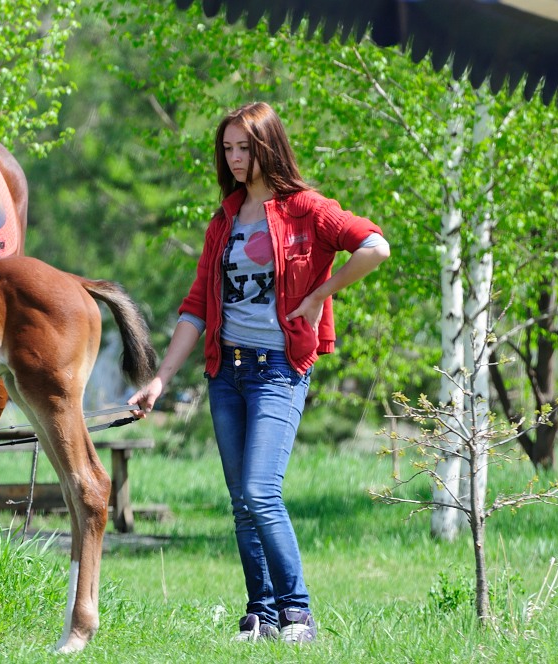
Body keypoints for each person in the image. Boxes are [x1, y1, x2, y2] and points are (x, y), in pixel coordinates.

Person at [128, 102, 389, 644]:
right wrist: (159, 377)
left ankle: (298, 614)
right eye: (227, 148)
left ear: (269, 146)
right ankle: (261, 615)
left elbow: (374, 246)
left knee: (260, 490)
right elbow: (198, 303)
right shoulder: (224, 219)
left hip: (278, 371)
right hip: (227, 372)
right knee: (241, 500)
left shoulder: (306, 210)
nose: (235, 157)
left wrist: (321, 294)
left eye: (244, 147)